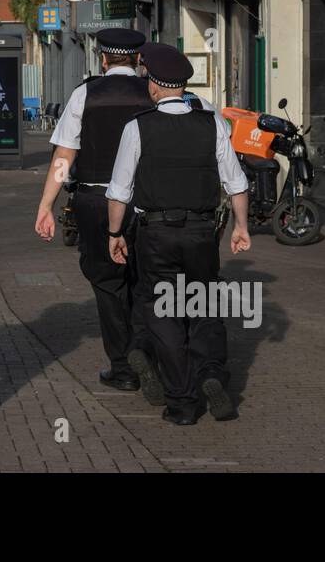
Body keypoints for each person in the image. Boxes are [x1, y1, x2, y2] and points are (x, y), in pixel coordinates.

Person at [105, 43, 251, 425]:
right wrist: (241, 226)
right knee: (203, 304)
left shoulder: (139, 126)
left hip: (155, 235)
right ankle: (211, 375)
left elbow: (119, 190)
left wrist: (114, 232)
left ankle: (183, 402)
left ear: (154, 85)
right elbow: (236, 183)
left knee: (163, 312)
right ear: (182, 86)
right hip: (202, 232)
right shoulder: (212, 123)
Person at [34, 28, 163, 401]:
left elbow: (64, 157)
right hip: (147, 202)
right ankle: (145, 350)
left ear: (103, 59)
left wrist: (47, 205)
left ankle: (122, 368)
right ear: (139, 61)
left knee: (108, 285)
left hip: (95, 200)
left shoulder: (84, 94)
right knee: (146, 281)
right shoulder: (155, 94)